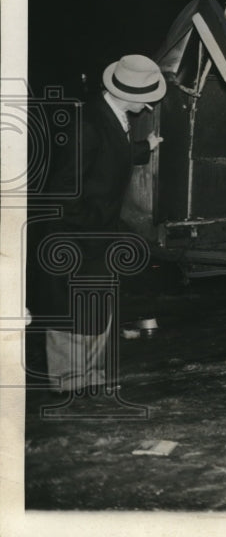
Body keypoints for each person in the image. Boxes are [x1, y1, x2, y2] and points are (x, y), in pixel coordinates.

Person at [37, 54, 166, 394]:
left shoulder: (114, 116)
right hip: (74, 234)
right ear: (127, 94)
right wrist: (95, 227)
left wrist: (145, 148)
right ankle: (69, 382)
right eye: (147, 98)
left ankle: (91, 376)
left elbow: (113, 152)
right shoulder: (87, 123)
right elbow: (61, 195)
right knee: (71, 314)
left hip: (98, 233)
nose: (150, 106)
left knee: (96, 310)